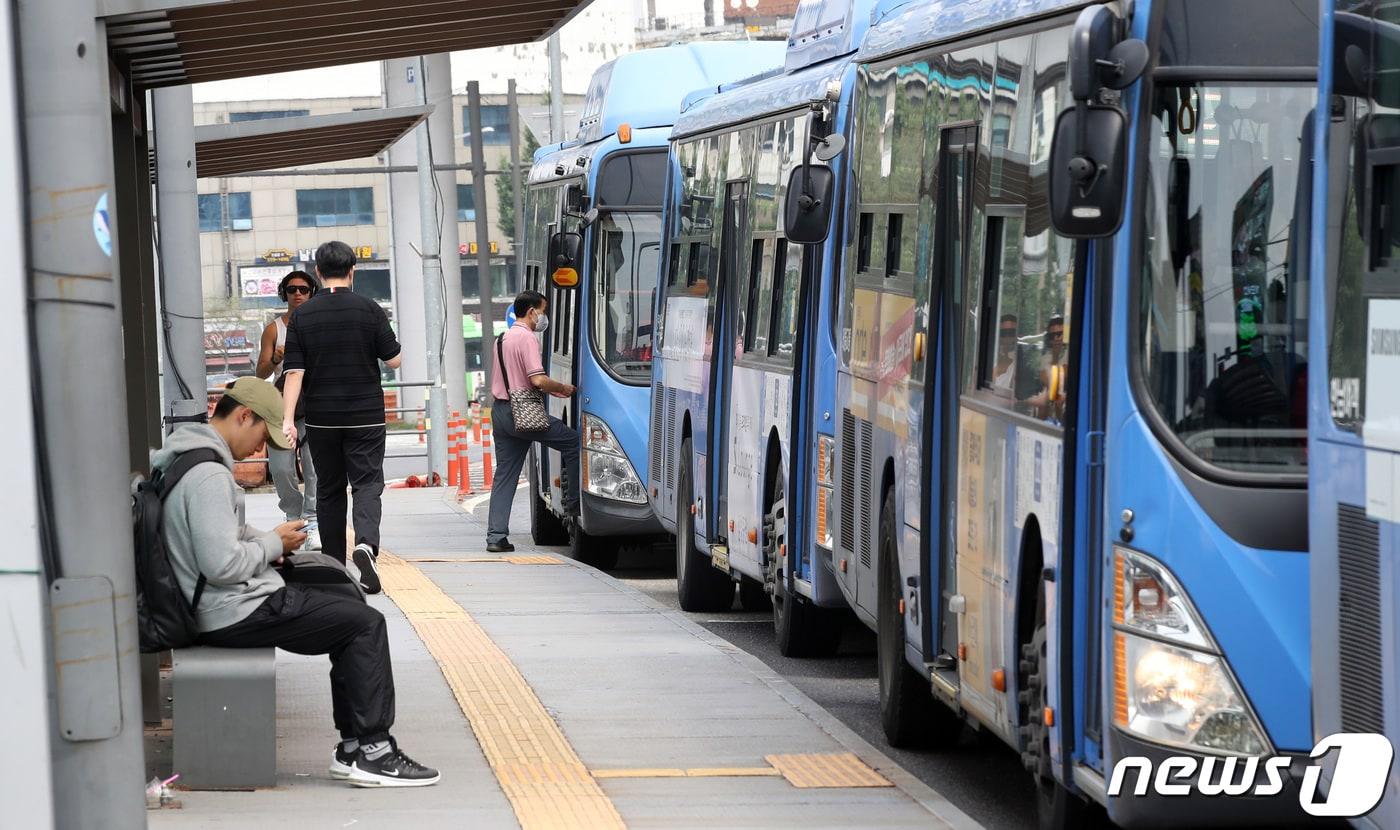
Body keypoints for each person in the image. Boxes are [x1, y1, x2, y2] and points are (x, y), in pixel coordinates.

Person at [152, 378, 439, 787]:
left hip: (214, 601)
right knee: (364, 624)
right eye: (261, 436)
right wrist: (272, 544)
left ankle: (355, 749)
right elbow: (222, 564)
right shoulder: (208, 476)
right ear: (243, 415)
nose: (260, 450)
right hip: (230, 609)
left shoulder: (186, 458)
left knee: (344, 600)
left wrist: (269, 540)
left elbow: (216, 537)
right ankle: (375, 751)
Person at [281, 241, 403, 595]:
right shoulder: (370, 309)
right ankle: (365, 545)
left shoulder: (303, 315)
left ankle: (335, 567)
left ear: (318, 273)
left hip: (321, 420)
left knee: (330, 490)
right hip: (366, 416)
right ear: (353, 271)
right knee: (366, 484)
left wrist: (289, 419)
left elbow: (294, 372)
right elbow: (394, 360)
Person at [487, 290, 579, 553]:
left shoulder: (501, 339)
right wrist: (563, 388)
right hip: (524, 412)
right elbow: (537, 379)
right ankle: (573, 506)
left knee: (505, 475)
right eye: (543, 311)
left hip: (501, 412)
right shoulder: (527, 338)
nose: (543, 317)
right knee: (572, 442)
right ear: (531, 312)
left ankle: (496, 537)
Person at [256, 270, 320, 545]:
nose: (297, 294)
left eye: (303, 289)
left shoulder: (320, 323)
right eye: (292, 289)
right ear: (284, 294)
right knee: (281, 467)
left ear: (311, 293)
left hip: (315, 401)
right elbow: (260, 373)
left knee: (314, 465)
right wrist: (274, 359)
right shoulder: (274, 329)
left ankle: (313, 520)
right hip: (281, 404)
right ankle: (293, 518)